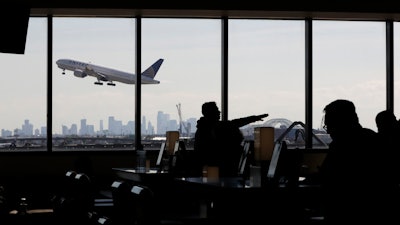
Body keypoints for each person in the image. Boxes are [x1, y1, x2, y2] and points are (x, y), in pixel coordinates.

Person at [319, 99, 399, 224]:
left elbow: (330, 181)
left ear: (342, 122)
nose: (328, 131)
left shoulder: (340, 147)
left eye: (330, 125)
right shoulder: (373, 141)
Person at [194, 101, 268, 177]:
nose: (219, 112)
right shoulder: (212, 129)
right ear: (210, 113)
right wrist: (253, 118)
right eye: (216, 110)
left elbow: (233, 123)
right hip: (213, 171)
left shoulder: (205, 127)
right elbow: (234, 123)